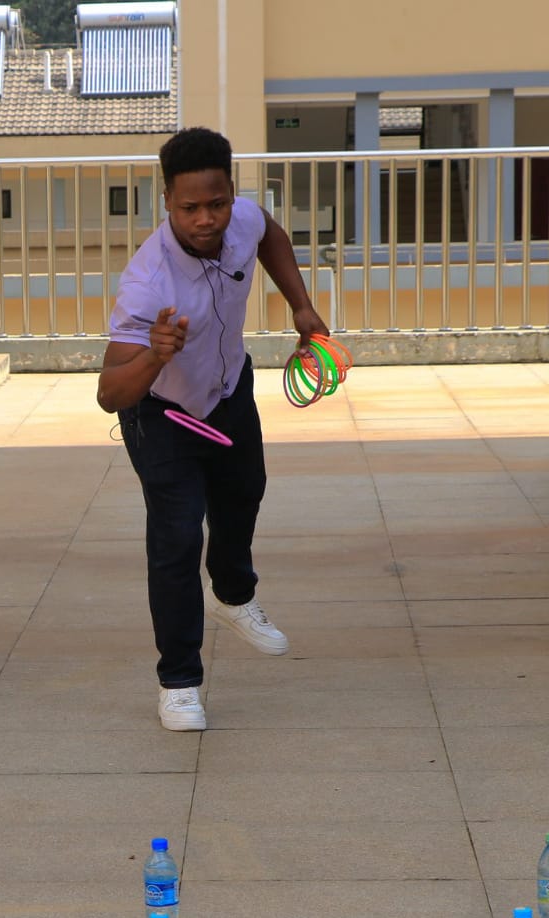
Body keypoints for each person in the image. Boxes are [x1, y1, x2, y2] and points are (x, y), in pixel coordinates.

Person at [97, 127, 329, 731]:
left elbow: (271, 235)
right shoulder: (147, 283)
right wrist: (154, 354)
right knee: (176, 538)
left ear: (231, 194)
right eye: (190, 208)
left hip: (228, 394)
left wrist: (299, 304)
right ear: (167, 203)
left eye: (216, 203)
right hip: (162, 413)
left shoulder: (243, 220)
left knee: (244, 492)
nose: (206, 219)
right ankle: (179, 682)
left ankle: (233, 596)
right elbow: (109, 393)